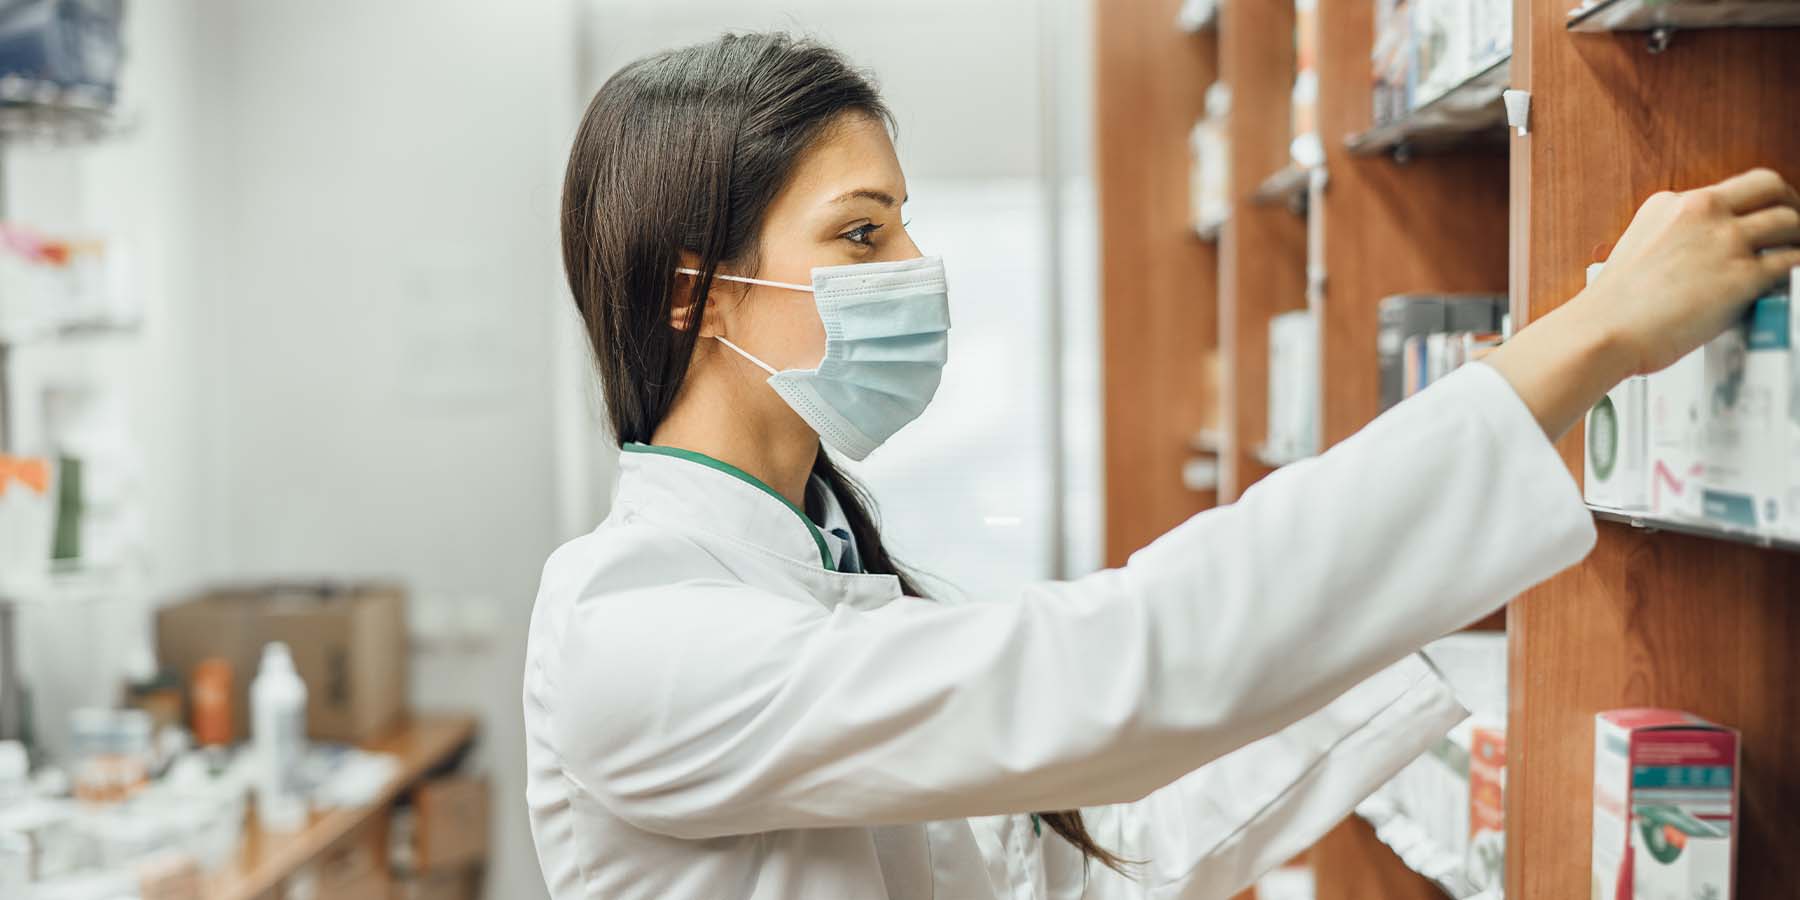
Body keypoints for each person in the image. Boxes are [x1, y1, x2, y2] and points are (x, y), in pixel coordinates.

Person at [524, 32, 1800, 900]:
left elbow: (1097, 859)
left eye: (907, 221)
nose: (914, 266)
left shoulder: (856, 578)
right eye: (862, 232)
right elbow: (1108, 669)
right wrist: (1588, 339)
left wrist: (1436, 649)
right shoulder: (633, 633)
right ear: (699, 293)